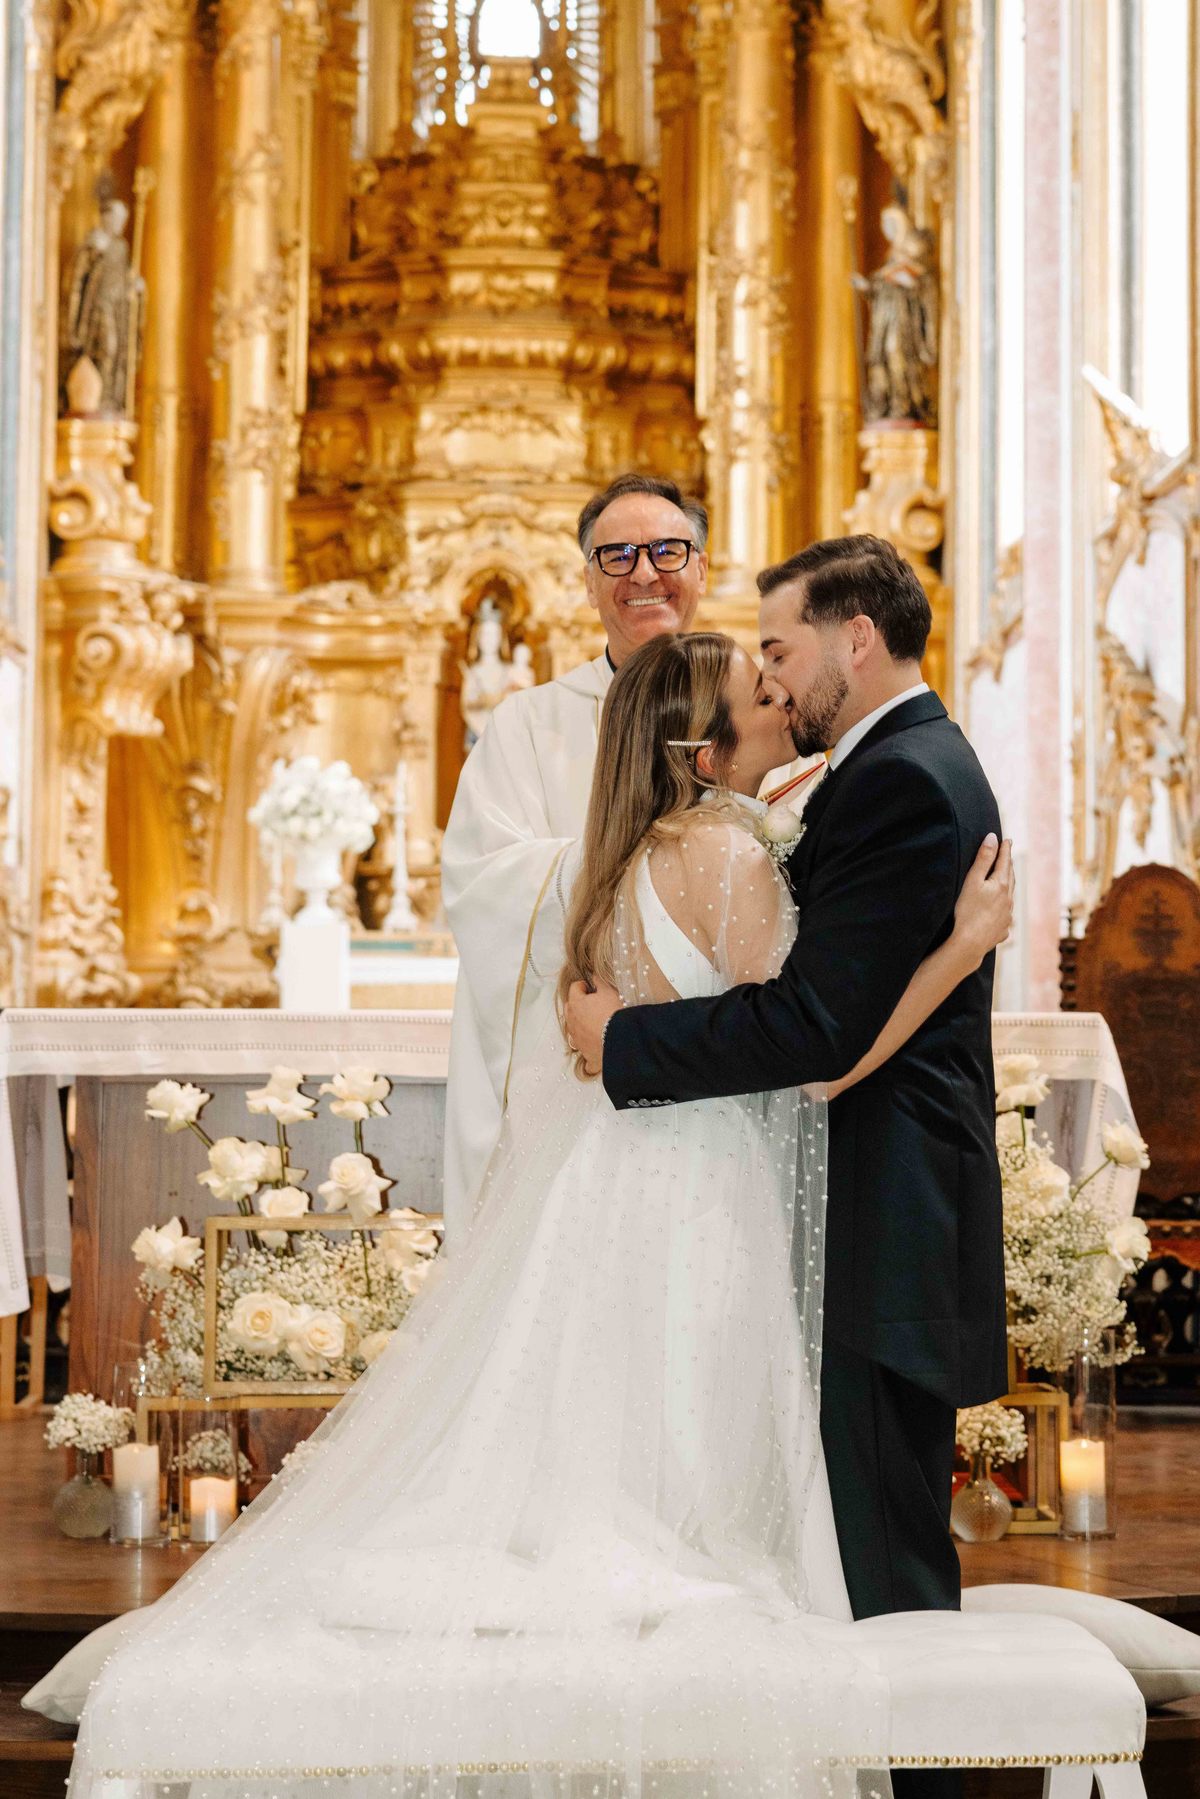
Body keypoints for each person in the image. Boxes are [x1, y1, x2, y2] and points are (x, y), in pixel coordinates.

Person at [56, 631, 1011, 1799]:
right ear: (704, 750)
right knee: (693, 1459)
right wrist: (962, 945)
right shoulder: (731, 857)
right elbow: (816, 1057)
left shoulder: (622, 860)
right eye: (756, 694)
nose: (779, 700)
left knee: (611, 1433)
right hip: (704, 1191)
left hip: (611, 1183)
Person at [566, 537, 1010, 1799]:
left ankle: (916, 1776)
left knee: (880, 1558)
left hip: (882, 1216)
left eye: (778, 647)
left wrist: (624, 1041)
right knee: (854, 1537)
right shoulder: (868, 775)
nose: (769, 675)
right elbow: (822, 1015)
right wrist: (958, 948)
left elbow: (814, 1034)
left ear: (852, 638)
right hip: (843, 1205)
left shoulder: (902, 779)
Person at [440, 471, 711, 1247]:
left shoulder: (754, 709)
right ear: (588, 583)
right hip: (569, 1063)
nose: (643, 573)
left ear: (701, 568)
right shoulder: (528, 723)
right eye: (616, 556)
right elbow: (484, 882)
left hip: (720, 1055)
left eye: (667, 551)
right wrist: (664, 871)